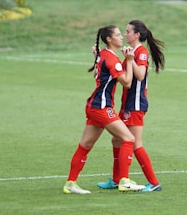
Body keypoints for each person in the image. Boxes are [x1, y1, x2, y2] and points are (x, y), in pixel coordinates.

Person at [63, 25, 147, 194]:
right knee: (128, 138)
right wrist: (130, 61)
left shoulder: (104, 55)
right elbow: (128, 82)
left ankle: (70, 183)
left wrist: (97, 54)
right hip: (102, 107)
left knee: (85, 145)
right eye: (117, 35)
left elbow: (99, 70)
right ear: (109, 39)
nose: (121, 37)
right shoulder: (111, 59)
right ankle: (124, 180)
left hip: (93, 106)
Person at [97, 20, 166, 193]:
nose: (125, 34)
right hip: (127, 104)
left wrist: (130, 60)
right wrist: (98, 54)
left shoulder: (140, 52)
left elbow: (140, 75)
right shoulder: (131, 51)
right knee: (117, 139)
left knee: (135, 144)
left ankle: (153, 182)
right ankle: (116, 179)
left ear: (137, 35)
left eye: (128, 31)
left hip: (136, 104)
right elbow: (116, 69)